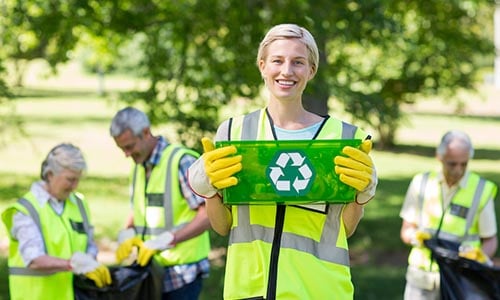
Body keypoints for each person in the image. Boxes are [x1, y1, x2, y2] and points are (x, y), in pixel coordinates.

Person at [188, 23, 378, 299]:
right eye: (277, 60)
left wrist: (361, 196)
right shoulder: (233, 133)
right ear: (262, 65)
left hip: (319, 289)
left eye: (298, 62)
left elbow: (344, 230)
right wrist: (209, 192)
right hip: (249, 288)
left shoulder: (344, 138)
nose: (286, 71)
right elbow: (223, 226)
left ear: (311, 70)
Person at [109, 106, 211, 300]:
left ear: (146, 133)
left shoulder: (181, 161)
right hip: (151, 273)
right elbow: (138, 208)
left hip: (182, 274)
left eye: (129, 147)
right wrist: (127, 234)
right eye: (122, 149)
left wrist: (167, 240)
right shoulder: (139, 167)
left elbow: (207, 215)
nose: (126, 154)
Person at [1, 143, 111, 300]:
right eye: (70, 179)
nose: (74, 186)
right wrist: (73, 264)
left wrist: (90, 261)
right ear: (50, 174)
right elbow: (34, 260)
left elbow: (89, 243)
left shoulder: (79, 204)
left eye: (78, 180)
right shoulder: (27, 211)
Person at [399, 130, 498, 300]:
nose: (458, 170)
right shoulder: (421, 183)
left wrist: (478, 257)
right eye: (452, 164)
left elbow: (490, 240)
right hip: (422, 278)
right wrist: (416, 236)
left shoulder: (481, 190)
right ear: (440, 157)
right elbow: (406, 231)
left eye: (464, 164)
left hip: (461, 279)